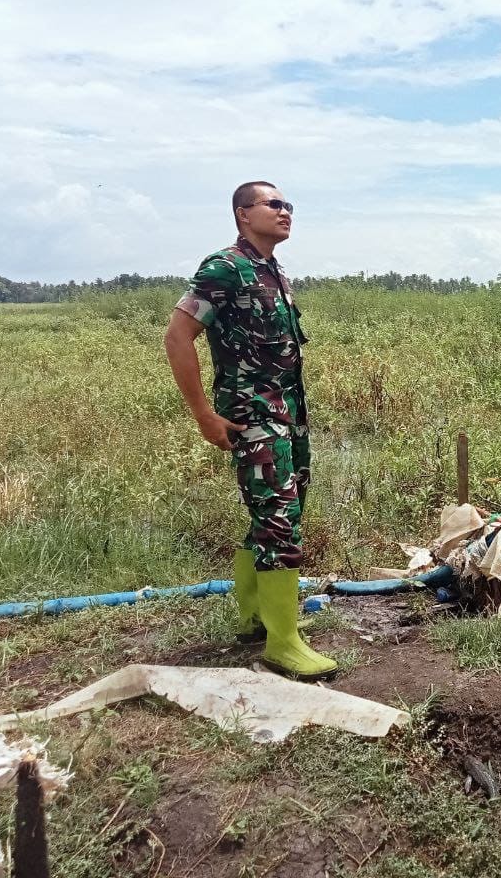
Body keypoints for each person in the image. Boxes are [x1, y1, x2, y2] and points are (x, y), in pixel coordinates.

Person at [164, 181, 337, 680]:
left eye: (289, 206)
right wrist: (204, 415)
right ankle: (284, 644)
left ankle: (255, 617)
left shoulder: (274, 271)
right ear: (243, 214)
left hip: (289, 415)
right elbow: (178, 336)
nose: (286, 212)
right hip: (253, 417)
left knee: (278, 509)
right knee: (280, 517)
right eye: (274, 204)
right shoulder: (224, 268)